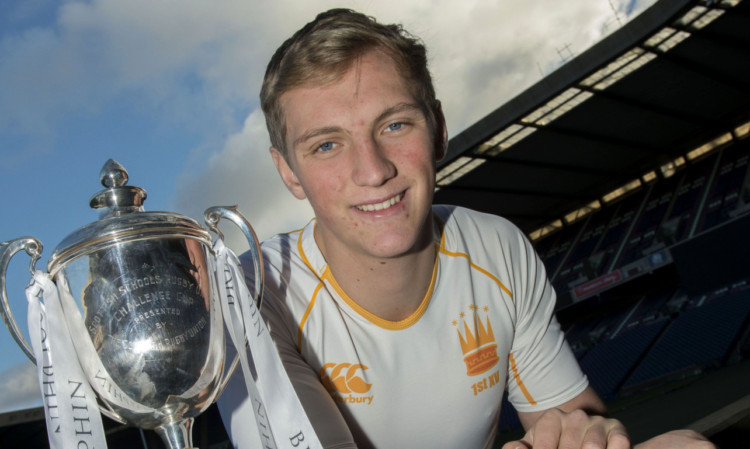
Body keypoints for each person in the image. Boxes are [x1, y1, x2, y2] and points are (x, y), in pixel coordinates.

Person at [219, 8, 715, 449]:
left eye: (394, 125)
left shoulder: (495, 247)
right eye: (326, 145)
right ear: (288, 172)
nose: (372, 171)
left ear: (436, 128)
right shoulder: (251, 293)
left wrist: (595, 438)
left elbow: (569, 420)